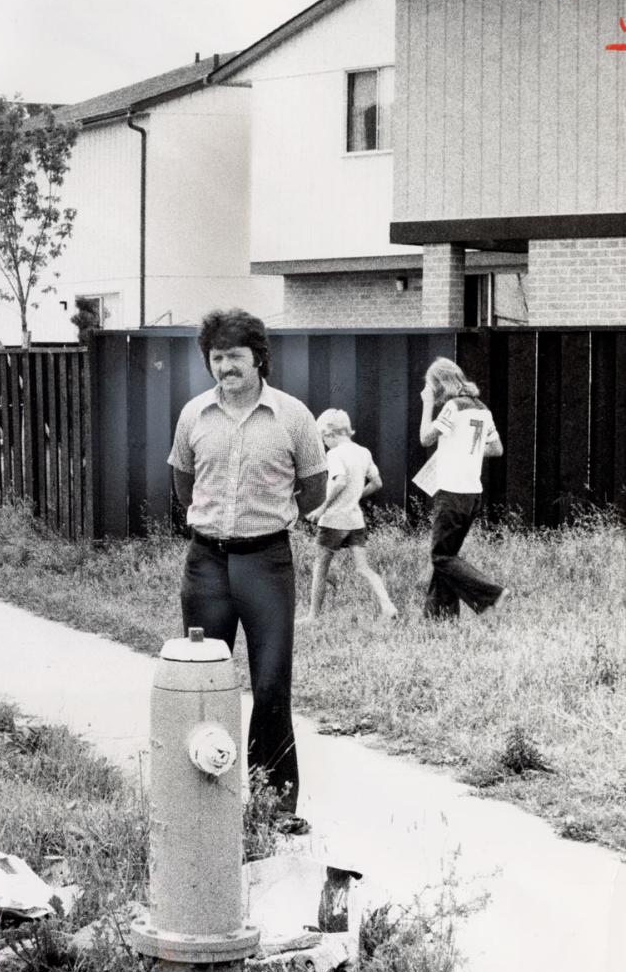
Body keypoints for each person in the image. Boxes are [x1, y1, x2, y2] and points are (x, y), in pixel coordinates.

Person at [169, 309, 327, 828]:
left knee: (272, 682)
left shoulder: (293, 417)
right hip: (206, 564)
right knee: (202, 678)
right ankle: (201, 798)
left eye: (235, 355)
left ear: (259, 357)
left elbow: (316, 489)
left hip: (266, 562)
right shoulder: (194, 414)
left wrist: (267, 522)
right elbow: (183, 484)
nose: (225, 366)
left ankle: (272, 806)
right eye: (216, 357)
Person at [418, 357, 506, 618]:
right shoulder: (482, 409)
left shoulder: (453, 408)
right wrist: (467, 452)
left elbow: (425, 438)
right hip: (472, 494)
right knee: (448, 557)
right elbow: (496, 449)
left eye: (431, 386)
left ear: (440, 383)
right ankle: (439, 617)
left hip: (452, 492)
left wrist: (426, 404)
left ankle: (491, 594)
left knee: (441, 557)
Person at [303, 409, 398, 621]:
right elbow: (377, 483)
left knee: (320, 567)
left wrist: (322, 508)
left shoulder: (334, 454)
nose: (325, 443)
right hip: (355, 521)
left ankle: (312, 616)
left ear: (329, 433)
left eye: (323, 438)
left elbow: (340, 481)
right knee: (363, 568)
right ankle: (387, 605)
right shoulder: (363, 452)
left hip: (334, 520)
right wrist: (355, 498)